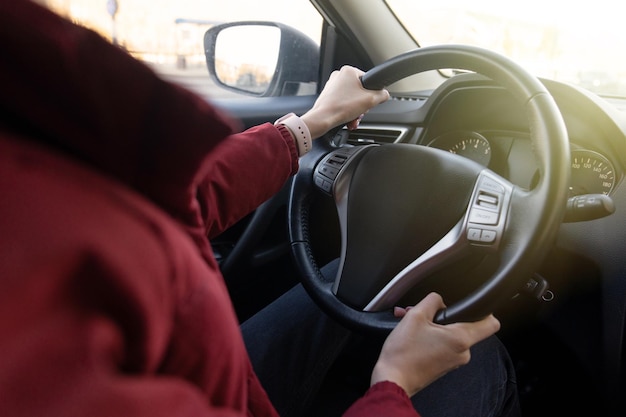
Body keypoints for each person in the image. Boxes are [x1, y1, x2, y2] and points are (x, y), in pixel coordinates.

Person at [0, 1, 520, 416]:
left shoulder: (32, 153)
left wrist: (310, 125)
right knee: (479, 364)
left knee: (348, 278)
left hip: (212, 379)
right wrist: (394, 384)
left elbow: (176, 204)